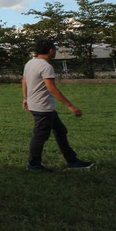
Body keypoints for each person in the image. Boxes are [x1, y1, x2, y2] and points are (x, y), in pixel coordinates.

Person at [22, 38, 93, 172]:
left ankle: (72, 161)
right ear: (51, 51)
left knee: (60, 131)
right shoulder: (46, 66)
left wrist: (26, 98)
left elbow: (24, 82)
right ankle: (33, 165)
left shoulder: (30, 63)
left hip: (38, 105)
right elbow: (52, 88)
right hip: (43, 108)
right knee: (39, 136)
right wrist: (70, 105)